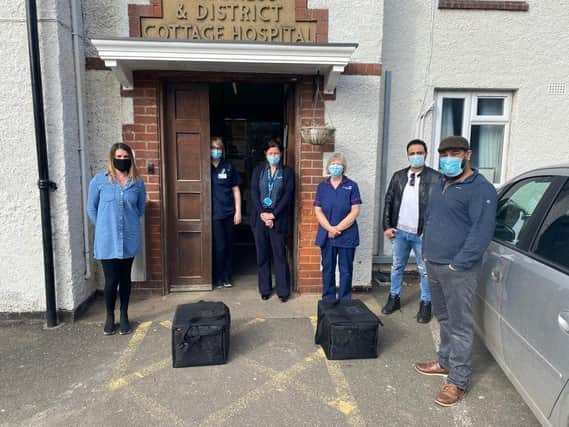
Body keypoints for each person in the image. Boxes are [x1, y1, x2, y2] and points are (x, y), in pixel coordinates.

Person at [415, 136, 497, 407]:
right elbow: (431, 218)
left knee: (460, 325)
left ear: (467, 154)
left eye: (455, 153)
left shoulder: (480, 189)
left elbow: (481, 231)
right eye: (444, 153)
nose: (449, 157)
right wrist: (426, 251)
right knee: (444, 318)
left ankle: (458, 381)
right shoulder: (441, 183)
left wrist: (458, 263)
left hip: (459, 269)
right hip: (434, 262)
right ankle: (445, 362)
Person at [87, 143, 146, 336]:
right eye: (118, 156)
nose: (122, 160)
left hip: (128, 238)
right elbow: (91, 209)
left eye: (125, 156)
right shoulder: (99, 181)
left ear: (131, 158)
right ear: (112, 158)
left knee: (125, 279)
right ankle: (110, 316)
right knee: (111, 280)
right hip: (107, 240)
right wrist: (104, 226)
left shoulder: (137, 183)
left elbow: (139, 209)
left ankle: (125, 314)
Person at [381, 139, 440, 323]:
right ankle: (394, 298)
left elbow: (439, 209)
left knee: (425, 271)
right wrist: (387, 226)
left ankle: (426, 303)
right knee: (397, 266)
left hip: (421, 235)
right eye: (412, 153)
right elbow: (389, 201)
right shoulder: (398, 176)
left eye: (419, 153)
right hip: (400, 233)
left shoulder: (436, 178)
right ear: (408, 155)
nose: (416, 156)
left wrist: (430, 231)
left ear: (426, 154)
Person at [250, 139, 294, 302]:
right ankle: (265, 289)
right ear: (265, 155)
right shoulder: (258, 171)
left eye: (276, 153)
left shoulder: (287, 173)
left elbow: (288, 196)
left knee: (280, 255)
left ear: (281, 154)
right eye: (270, 153)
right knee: (262, 255)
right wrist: (263, 214)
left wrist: (273, 215)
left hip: (278, 219)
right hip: (259, 219)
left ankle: (283, 291)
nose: (273, 156)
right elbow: (254, 193)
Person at [314, 153, 362, 301]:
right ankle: (328, 298)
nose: (336, 166)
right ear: (328, 167)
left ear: (343, 167)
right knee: (328, 269)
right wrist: (330, 228)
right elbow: (318, 210)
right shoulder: (322, 186)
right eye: (333, 164)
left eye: (339, 164)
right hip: (327, 235)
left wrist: (337, 229)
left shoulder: (351, 185)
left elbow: (355, 210)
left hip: (346, 235)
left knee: (346, 269)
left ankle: (345, 299)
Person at [210, 137, 242, 289]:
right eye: (213, 147)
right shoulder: (205, 166)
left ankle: (227, 277)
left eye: (218, 148)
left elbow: (236, 189)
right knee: (219, 246)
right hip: (214, 214)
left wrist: (238, 212)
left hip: (229, 212)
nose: (216, 151)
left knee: (229, 245)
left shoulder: (228, 167)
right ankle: (217, 277)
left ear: (222, 151)